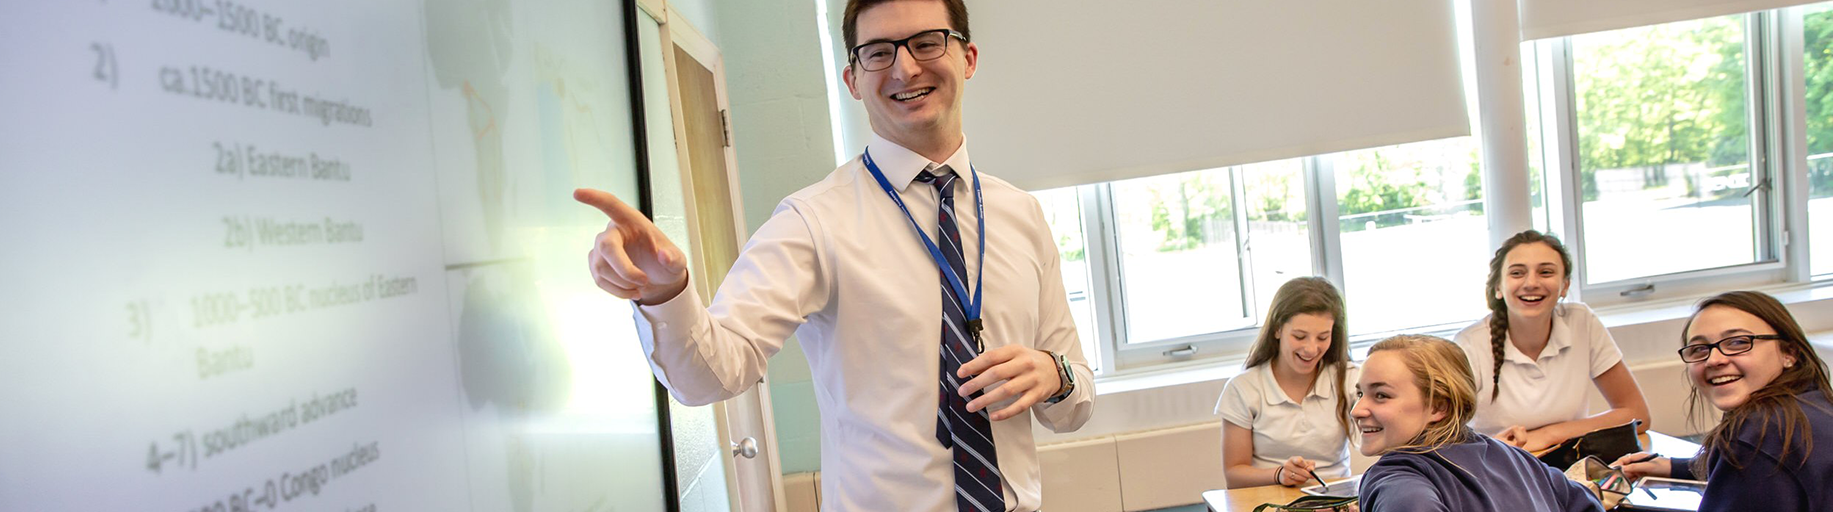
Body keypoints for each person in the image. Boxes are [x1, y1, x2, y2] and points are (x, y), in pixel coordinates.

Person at [573, 0, 1093, 510]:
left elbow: (1075, 402)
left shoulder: (1022, 215)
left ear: (968, 58)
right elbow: (711, 375)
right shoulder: (812, 222)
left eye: (927, 42)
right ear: (852, 79)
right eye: (878, 52)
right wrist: (667, 293)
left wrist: (1056, 373)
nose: (905, 67)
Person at [1614, 291, 1833, 511]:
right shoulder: (1814, 403)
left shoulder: (1760, 433)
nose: (1714, 360)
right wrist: (1675, 467)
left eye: (1738, 342)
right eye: (1700, 349)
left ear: (1789, 353)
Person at [1353, 334, 1604, 512]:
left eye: (1381, 396)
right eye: (1360, 393)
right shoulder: (1519, 460)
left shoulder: (1395, 479)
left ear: (1439, 406)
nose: (1357, 410)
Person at [1455, 230, 1650, 450]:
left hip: (1566, 461)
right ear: (1498, 287)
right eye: (1517, 273)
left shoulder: (1581, 321)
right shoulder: (1469, 344)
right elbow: (1440, 438)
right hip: (1497, 465)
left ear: (1564, 286)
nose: (1531, 283)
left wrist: (1550, 434)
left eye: (1546, 272)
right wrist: (1495, 446)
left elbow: (1637, 414)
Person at [1215, 277, 1357, 488]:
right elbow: (1235, 476)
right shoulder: (1243, 388)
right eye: (1300, 337)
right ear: (1277, 330)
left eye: (1322, 337)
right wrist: (1280, 474)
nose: (1311, 349)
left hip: (1336, 498)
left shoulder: (1349, 378)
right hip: (1269, 499)